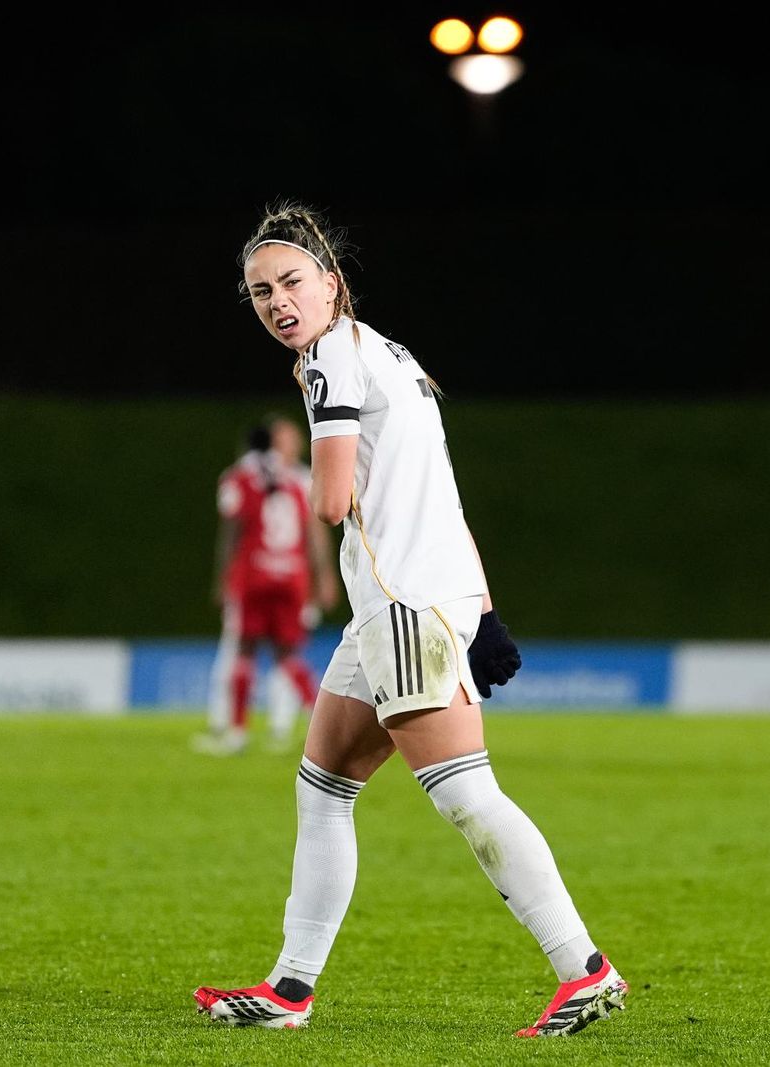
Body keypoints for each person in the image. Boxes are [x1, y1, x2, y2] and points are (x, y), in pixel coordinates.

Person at [193, 200, 627, 1037]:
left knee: (467, 795)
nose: (278, 301)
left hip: (401, 609)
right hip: (410, 605)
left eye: (291, 282)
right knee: (323, 787)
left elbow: (326, 501)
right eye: (260, 292)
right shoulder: (393, 352)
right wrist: (485, 613)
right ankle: (292, 986)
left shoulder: (327, 361)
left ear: (331, 282)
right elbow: (443, 495)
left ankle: (585, 966)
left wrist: (333, 466)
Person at [196, 413, 338, 755]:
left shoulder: (240, 477)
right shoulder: (296, 479)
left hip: (255, 573)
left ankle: (238, 732)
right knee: (288, 654)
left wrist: (223, 577)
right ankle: (328, 728)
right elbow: (313, 532)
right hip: (291, 576)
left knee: (243, 649)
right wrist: (324, 577)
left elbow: (233, 528)